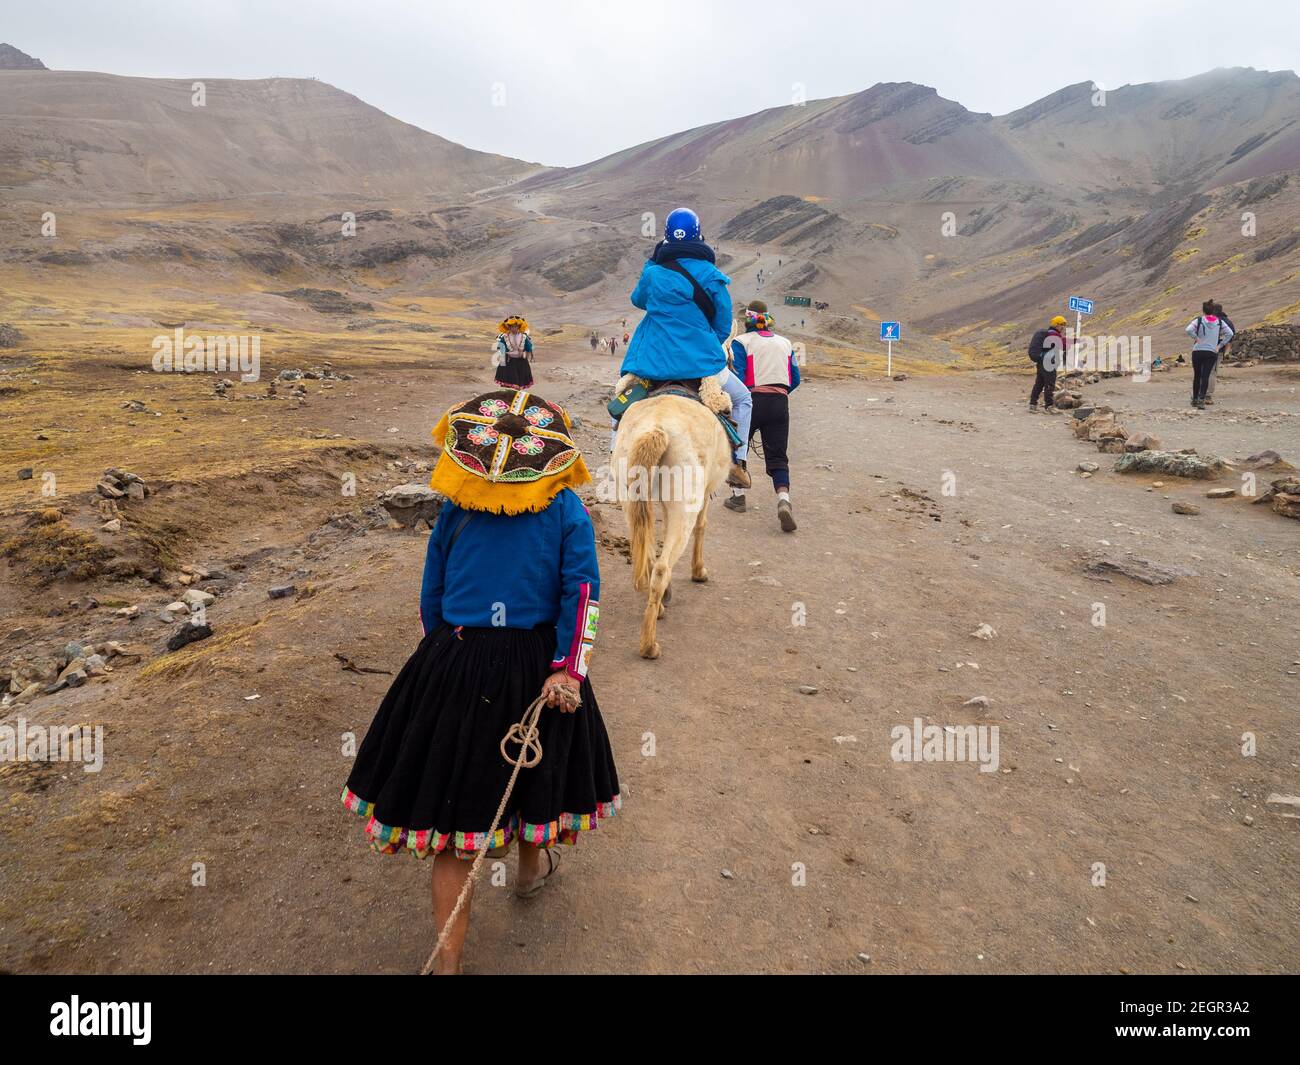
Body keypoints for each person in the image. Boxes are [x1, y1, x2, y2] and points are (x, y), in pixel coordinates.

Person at [342, 389, 620, 975]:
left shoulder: (454, 509)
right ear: (549, 453)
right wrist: (570, 668)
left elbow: (432, 596)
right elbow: (584, 596)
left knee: (454, 814)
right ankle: (526, 872)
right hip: (537, 664)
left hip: (457, 659)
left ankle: (448, 964)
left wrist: (440, 654)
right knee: (532, 770)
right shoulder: (568, 509)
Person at [618, 207, 749, 487]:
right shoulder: (712, 275)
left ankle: (616, 455)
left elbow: (638, 300)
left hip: (650, 362)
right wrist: (703, 342)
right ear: (699, 234)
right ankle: (737, 463)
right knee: (742, 399)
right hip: (700, 363)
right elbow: (724, 323)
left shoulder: (654, 273)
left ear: (666, 238)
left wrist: (653, 264)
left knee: (621, 403)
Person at [724, 304, 800, 531]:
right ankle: (783, 500)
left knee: (738, 446)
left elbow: (736, 375)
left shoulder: (742, 342)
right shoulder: (786, 343)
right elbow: (794, 378)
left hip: (749, 402)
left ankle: (738, 497)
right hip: (779, 402)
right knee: (778, 456)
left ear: (746, 322)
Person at [1185, 300, 1233, 409]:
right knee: (1206, 375)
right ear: (1213, 310)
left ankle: (1195, 399)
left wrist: (1197, 339)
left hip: (1197, 351)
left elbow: (1188, 330)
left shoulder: (1199, 320)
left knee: (1197, 376)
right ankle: (1202, 399)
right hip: (1211, 351)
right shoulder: (1219, 322)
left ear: (1203, 310)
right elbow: (1229, 333)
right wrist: (1220, 345)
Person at [1027, 315, 1069, 413]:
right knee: (1050, 383)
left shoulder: (1048, 333)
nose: (1063, 327)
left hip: (1041, 361)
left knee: (1039, 383)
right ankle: (1049, 407)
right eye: (1061, 325)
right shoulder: (1053, 334)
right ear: (1056, 324)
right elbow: (1062, 345)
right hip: (1048, 362)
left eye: (1064, 325)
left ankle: (1032, 405)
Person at [1204, 300, 1235, 405]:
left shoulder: (1207, 320)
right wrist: (1225, 351)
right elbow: (1230, 338)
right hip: (1217, 351)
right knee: (1212, 371)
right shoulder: (1228, 323)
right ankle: (1207, 395)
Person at [494, 315, 534, 389]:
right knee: (510, 383)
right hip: (509, 361)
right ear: (508, 327)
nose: (513, 328)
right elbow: (500, 346)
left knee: (519, 382)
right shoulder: (505, 337)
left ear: (519, 327)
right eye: (511, 327)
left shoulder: (524, 337)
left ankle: (517, 396)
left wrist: (527, 353)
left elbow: (529, 347)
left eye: (515, 326)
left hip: (521, 361)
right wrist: (506, 352)